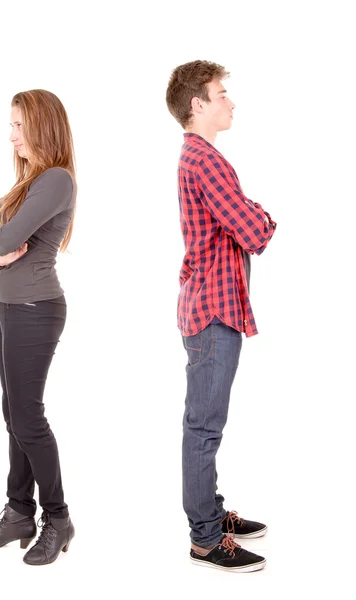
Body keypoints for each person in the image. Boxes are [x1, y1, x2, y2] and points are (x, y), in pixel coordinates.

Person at [166, 61, 277, 573]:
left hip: (212, 306)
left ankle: (211, 514)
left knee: (205, 424)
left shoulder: (204, 158)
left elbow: (241, 217)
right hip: (213, 312)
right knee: (203, 427)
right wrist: (262, 215)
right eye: (221, 94)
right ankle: (206, 539)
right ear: (198, 105)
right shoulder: (205, 161)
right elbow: (254, 229)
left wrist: (249, 213)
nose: (230, 102)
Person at [0, 89, 77, 566]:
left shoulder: (55, 180)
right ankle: (18, 512)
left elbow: (2, 238)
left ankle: (58, 519)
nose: (11, 134)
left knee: (28, 417)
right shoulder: (28, 183)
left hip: (35, 307)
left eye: (18, 125)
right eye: (11, 125)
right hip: (8, 308)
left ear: (41, 127)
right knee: (13, 412)